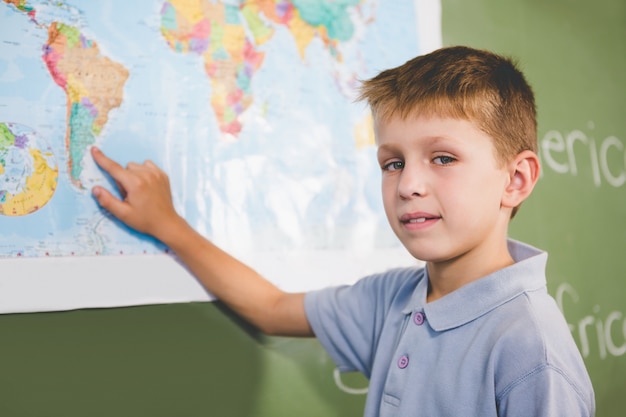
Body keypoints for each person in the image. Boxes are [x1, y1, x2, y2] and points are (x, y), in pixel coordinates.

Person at [91, 46, 595, 416]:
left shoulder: (532, 352)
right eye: (392, 163)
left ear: (516, 179)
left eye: (443, 158)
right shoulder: (393, 299)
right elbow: (270, 307)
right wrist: (168, 226)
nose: (408, 185)